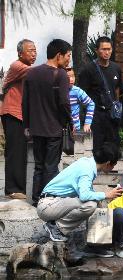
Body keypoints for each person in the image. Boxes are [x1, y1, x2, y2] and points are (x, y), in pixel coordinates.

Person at [37, 143, 122, 244]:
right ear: (108, 163)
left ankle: (97, 244)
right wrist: (106, 194)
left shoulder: (87, 163)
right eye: (114, 164)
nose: (114, 167)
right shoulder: (87, 170)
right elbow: (84, 196)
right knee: (90, 205)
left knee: (97, 203)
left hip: (53, 203)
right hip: (48, 205)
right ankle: (55, 228)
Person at [22, 39, 72, 205]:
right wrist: (70, 122)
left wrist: (27, 125)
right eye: (68, 56)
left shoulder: (31, 73)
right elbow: (64, 103)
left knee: (39, 166)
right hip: (53, 129)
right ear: (59, 55)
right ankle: (48, 200)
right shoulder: (61, 74)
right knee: (51, 166)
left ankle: (36, 199)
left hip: (36, 129)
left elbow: (25, 102)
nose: (68, 60)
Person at [0, 39, 36, 200]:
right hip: (13, 112)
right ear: (20, 53)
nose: (34, 53)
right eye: (30, 50)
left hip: (22, 114)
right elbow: (38, 74)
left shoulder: (27, 68)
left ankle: (19, 187)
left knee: (21, 151)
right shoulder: (17, 66)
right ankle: (12, 189)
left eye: (35, 50)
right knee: (15, 151)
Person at [78, 36, 123, 150]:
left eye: (109, 49)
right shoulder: (88, 69)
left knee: (113, 148)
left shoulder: (116, 68)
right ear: (96, 50)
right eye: (103, 49)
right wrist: (85, 117)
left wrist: (116, 107)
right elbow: (81, 94)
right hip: (96, 115)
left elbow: (117, 89)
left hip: (112, 115)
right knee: (97, 149)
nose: (107, 52)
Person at [66, 68, 94, 133]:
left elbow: (91, 104)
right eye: (68, 77)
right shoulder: (57, 90)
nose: (71, 79)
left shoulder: (77, 91)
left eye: (73, 76)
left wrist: (87, 123)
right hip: (58, 128)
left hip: (74, 129)